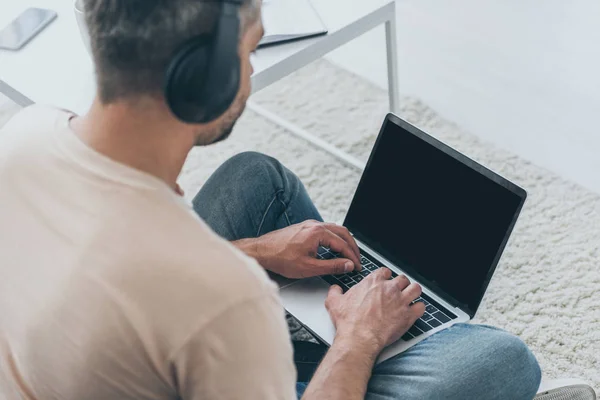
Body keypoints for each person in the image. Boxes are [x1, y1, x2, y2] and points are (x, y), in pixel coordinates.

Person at [0, 0, 541, 399]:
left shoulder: (23, 134)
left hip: (92, 353)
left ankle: (316, 331)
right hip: (209, 350)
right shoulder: (230, 303)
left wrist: (258, 252)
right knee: (501, 361)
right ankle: (331, 350)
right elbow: (182, 287)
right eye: (250, 46)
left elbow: (124, 271)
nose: (253, 69)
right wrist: (358, 337)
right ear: (205, 80)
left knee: (256, 178)